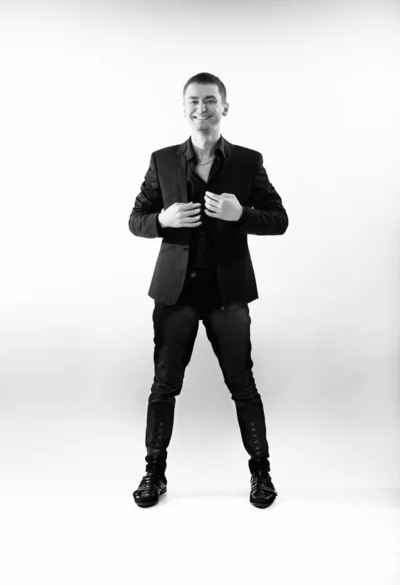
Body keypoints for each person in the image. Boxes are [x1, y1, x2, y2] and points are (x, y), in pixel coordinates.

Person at [129, 72, 288, 509]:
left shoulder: (247, 161)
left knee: (243, 384)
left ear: (225, 107)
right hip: (175, 294)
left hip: (228, 293)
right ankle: (154, 473)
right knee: (164, 386)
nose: (202, 108)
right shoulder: (162, 160)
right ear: (184, 109)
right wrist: (162, 221)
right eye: (194, 101)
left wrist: (242, 214)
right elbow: (135, 218)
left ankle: (261, 473)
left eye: (211, 101)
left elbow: (279, 219)